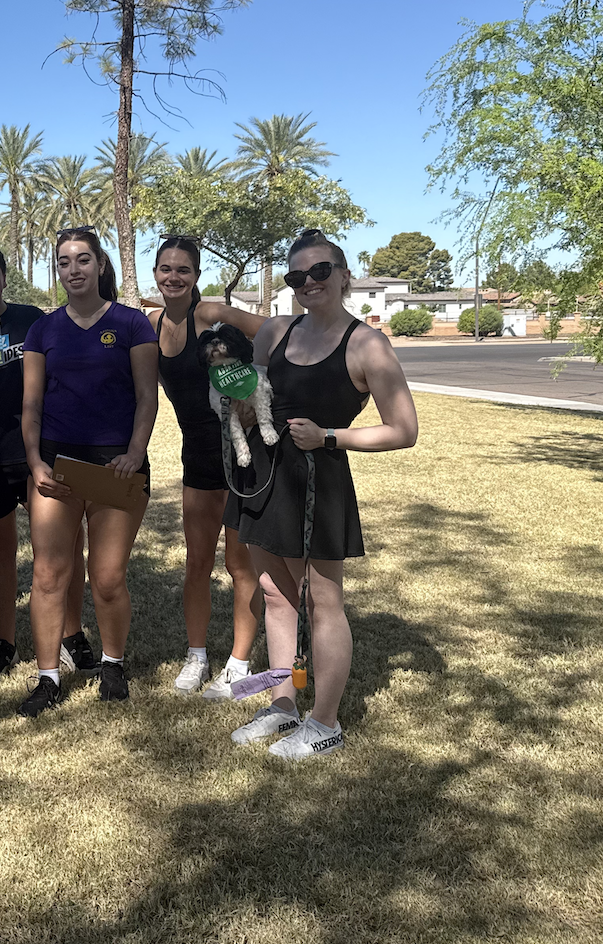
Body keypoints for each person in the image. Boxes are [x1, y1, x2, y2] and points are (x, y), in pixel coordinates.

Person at [225, 229, 418, 760]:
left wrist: (331, 436)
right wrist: (237, 400)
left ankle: (325, 723)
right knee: (274, 592)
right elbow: (253, 394)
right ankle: (283, 703)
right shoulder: (276, 331)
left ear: (344, 276)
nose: (308, 282)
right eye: (297, 276)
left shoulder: (367, 344)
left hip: (318, 479)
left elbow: (404, 430)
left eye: (320, 271)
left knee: (322, 600)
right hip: (263, 475)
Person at [16, 228, 158, 716]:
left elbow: (147, 397)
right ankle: (48, 677)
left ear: (100, 265)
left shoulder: (132, 323)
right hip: (56, 467)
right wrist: (35, 461)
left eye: (82, 259)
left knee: (108, 578)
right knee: (48, 574)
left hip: (116, 467)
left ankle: (113, 664)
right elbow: (31, 404)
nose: (73, 270)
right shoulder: (44, 330)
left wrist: (135, 452)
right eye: (63, 261)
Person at [0, 244, 95, 676]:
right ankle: (5, 641)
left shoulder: (33, 320)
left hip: (39, 453)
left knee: (65, 548)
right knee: (0, 552)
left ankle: (72, 634)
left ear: (5, 277)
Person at [149, 236, 272, 698]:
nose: (173, 277)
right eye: (166, 268)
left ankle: (238, 663)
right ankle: (197, 656)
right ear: (156, 273)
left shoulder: (212, 314)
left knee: (239, 564)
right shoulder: (152, 324)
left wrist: (256, 389)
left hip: (240, 455)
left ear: (196, 276)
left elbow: (277, 331)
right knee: (197, 562)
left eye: (183, 269)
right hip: (196, 455)